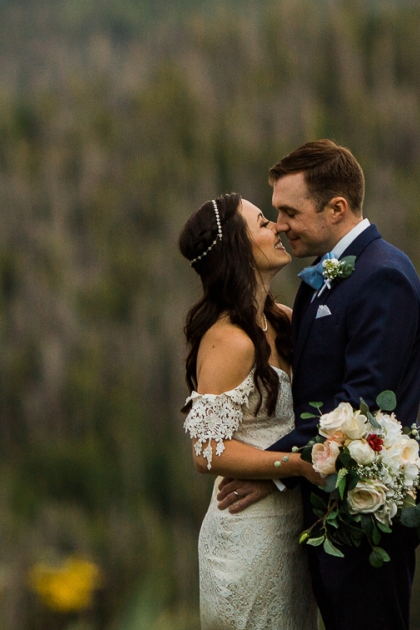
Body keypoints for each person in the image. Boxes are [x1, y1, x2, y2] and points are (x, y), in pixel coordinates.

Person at [213, 140, 420, 630]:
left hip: (370, 515)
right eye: (273, 213)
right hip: (324, 508)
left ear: (337, 208)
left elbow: (359, 405)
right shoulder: (318, 280)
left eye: (289, 211)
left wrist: (271, 467)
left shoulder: (385, 278)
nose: (280, 225)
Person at [179, 192, 323, 630]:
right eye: (263, 222)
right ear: (238, 250)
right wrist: (293, 465)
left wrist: (284, 474)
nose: (278, 226)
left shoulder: (283, 318)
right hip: (246, 533)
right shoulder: (229, 340)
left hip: (293, 530)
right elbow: (206, 452)